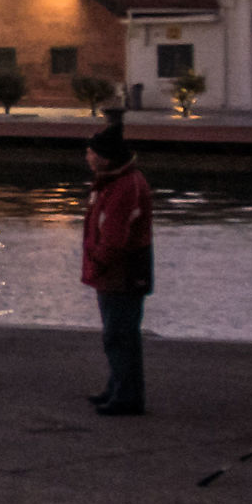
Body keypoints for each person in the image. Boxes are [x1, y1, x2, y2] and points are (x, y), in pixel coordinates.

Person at [82, 115, 153, 415]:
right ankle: (118, 389)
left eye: (90, 153)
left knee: (119, 334)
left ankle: (126, 397)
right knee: (120, 333)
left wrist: (97, 261)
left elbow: (113, 237)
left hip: (122, 272)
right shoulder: (117, 182)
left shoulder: (123, 187)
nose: (87, 157)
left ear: (104, 158)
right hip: (119, 271)